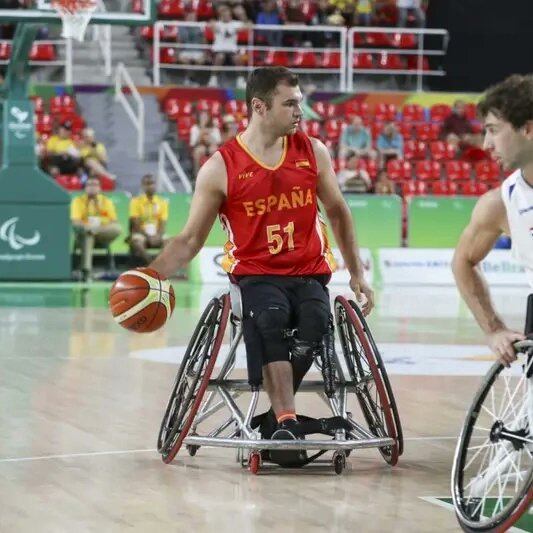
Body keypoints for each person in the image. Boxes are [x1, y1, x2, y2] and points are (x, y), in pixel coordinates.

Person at [150, 66, 373, 465]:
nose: (300, 111)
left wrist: (357, 272)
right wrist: (149, 276)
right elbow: (188, 241)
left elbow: (338, 212)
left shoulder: (313, 151)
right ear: (259, 106)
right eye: (290, 103)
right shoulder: (221, 166)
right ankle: (286, 418)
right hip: (255, 274)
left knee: (315, 321)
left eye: (300, 102)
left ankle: (275, 419)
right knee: (269, 318)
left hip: (308, 271)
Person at [452, 74, 533, 367]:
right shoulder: (501, 202)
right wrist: (494, 328)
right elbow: (463, 261)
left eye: (494, 131)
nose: (486, 144)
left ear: (528, 129)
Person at [70, 176, 121, 281]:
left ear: (99, 188)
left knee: (117, 228)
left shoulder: (106, 201)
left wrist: (96, 227)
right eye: (89, 185)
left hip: (102, 233)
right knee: (87, 235)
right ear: (85, 187)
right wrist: (87, 227)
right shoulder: (78, 201)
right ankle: (87, 272)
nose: (92, 187)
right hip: (83, 234)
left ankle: (92, 231)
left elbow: (113, 221)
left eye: (95, 185)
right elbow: (75, 221)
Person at [128, 174, 169, 266]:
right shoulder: (135, 202)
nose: (151, 186)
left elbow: (163, 224)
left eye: (153, 183)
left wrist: (158, 235)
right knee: (137, 242)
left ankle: (157, 264)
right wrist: (148, 236)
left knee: (169, 242)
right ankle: (151, 264)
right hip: (141, 233)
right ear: (143, 186)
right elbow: (135, 224)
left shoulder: (162, 203)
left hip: (156, 233)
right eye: (148, 184)